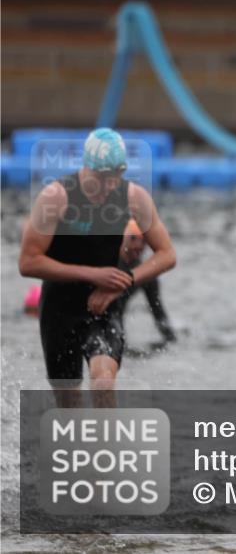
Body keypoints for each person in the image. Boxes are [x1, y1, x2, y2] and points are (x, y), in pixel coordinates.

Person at [18, 128, 177, 407]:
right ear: (86, 168)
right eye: (101, 178)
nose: (108, 186)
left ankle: (108, 438)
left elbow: (167, 254)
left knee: (103, 381)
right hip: (59, 308)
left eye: (115, 177)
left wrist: (124, 281)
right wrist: (91, 273)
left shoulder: (133, 197)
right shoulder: (56, 197)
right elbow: (28, 262)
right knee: (69, 407)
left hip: (104, 308)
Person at [110, 218, 178, 353]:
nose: (138, 245)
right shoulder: (109, 265)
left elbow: (158, 311)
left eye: (143, 241)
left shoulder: (146, 274)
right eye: (133, 239)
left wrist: (171, 342)